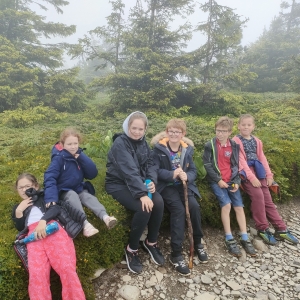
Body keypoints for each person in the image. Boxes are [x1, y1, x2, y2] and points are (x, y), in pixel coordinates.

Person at [105, 111, 165, 274]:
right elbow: (129, 170)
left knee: (158, 202)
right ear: (127, 126)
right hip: (117, 183)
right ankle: (131, 249)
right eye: (134, 128)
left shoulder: (143, 143)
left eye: (141, 129)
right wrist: (142, 194)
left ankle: (151, 242)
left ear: (145, 130)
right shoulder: (120, 143)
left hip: (137, 182)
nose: (137, 132)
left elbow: (150, 164)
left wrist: (151, 181)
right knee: (143, 206)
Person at [12, 173, 86, 300]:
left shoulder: (44, 195)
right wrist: (19, 211)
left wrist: (43, 221)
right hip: (34, 238)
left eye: (27, 186)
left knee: (67, 269)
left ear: (35, 185)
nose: (24, 190)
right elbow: (20, 227)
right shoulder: (18, 207)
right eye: (21, 187)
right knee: (37, 276)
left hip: (53, 231)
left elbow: (55, 208)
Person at [151, 119, 208, 275]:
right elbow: (154, 170)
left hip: (184, 186)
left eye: (178, 132)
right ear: (167, 132)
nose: (174, 134)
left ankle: (197, 242)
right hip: (167, 187)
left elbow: (194, 171)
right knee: (179, 210)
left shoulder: (187, 150)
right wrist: (172, 174)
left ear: (183, 134)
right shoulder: (158, 149)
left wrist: (186, 176)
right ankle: (176, 253)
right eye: (171, 131)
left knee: (194, 207)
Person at [232, 114, 299, 245]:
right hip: (246, 173)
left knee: (267, 199)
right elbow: (240, 161)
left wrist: (269, 175)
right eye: (243, 124)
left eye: (249, 125)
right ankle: (262, 228)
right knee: (258, 197)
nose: (246, 127)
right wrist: (251, 178)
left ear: (253, 126)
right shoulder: (235, 141)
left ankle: (281, 228)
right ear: (238, 126)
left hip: (259, 171)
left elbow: (262, 158)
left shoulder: (257, 141)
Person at [44, 127, 116, 238]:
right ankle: (85, 224)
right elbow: (49, 177)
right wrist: (50, 197)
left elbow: (92, 174)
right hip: (63, 190)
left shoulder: (79, 155)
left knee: (87, 196)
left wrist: (82, 158)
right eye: (69, 144)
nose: (73, 147)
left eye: (75, 143)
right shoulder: (58, 159)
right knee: (72, 195)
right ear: (62, 145)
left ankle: (106, 217)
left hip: (78, 187)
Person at [203, 116, 256, 257]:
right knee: (226, 205)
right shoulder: (210, 145)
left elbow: (236, 165)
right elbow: (207, 165)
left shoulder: (234, 145)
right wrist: (218, 180)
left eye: (223, 131)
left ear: (230, 132)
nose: (220, 133)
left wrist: (237, 181)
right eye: (218, 130)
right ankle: (229, 237)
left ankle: (244, 236)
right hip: (217, 181)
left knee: (239, 206)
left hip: (232, 180)